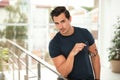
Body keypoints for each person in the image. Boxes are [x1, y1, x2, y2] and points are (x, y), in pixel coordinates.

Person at [49, 6, 101, 80]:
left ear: (70, 19)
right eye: (57, 23)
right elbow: (64, 72)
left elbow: (95, 56)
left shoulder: (85, 33)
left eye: (63, 21)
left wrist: (98, 78)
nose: (60, 27)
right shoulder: (54, 44)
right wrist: (72, 54)